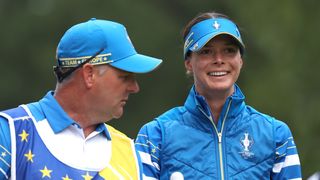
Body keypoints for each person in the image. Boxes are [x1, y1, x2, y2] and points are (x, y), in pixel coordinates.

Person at [135, 11, 302, 179]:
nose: (219, 60)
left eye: (229, 50)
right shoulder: (155, 136)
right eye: (206, 51)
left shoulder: (277, 135)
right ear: (188, 63)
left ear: (241, 61)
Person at [0, 18, 162, 179]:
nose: (134, 87)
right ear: (89, 74)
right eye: (124, 77)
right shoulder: (10, 131)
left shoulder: (129, 151)